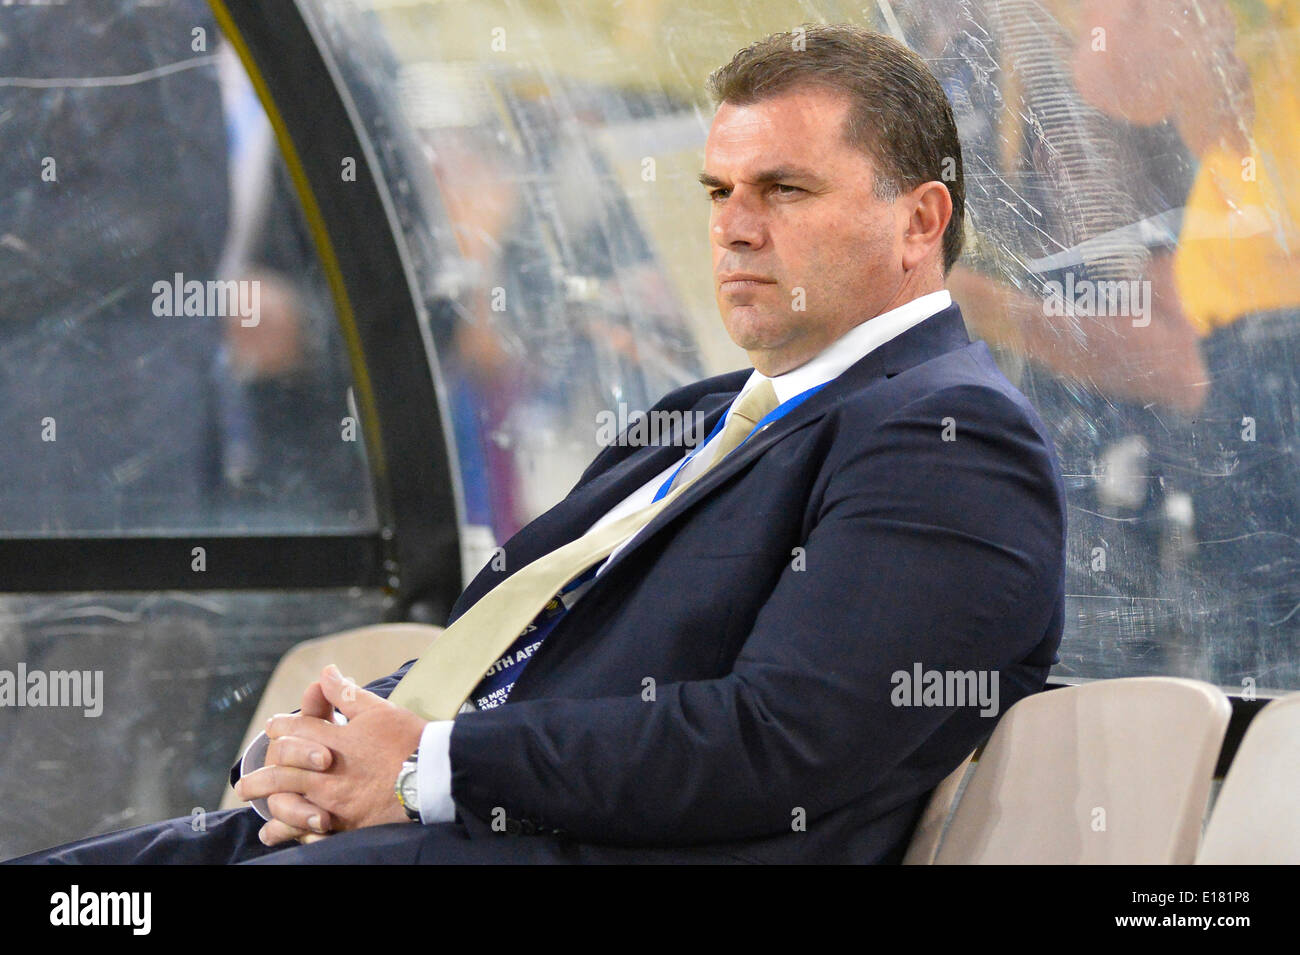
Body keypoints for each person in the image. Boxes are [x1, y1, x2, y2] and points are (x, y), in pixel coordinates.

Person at [9, 23, 1066, 865]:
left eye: (783, 189)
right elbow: (536, 653)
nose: (734, 226)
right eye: (718, 191)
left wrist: (425, 765)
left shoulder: (948, 436)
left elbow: (781, 741)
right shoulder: (704, 412)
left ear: (919, 221)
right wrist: (328, 749)